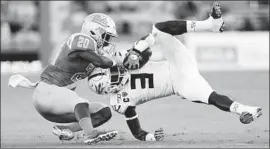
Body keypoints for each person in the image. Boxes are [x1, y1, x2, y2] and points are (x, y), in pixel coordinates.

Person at [91, 2, 262, 141]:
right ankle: (246, 110)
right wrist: (150, 137)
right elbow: (137, 131)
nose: (117, 74)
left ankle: (210, 25)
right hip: (180, 85)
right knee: (211, 97)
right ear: (108, 89)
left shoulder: (121, 62)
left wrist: (137, 51)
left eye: (112, 73)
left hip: (175, 62)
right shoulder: (118, 103)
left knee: (158, 29)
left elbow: (148, 49)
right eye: (113, 78)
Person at [8, 13, 121, 145]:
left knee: (103, 112)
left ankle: (65, 129)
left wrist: (111, 85)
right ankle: (91, 134)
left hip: (56, 102)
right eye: (106, 36)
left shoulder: (92, 53)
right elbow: (101, 61)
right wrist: (116, 62)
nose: (107, 41)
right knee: (81, 102)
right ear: (94, 31)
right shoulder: (81, 38)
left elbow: (97, 77)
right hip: (47, 92)